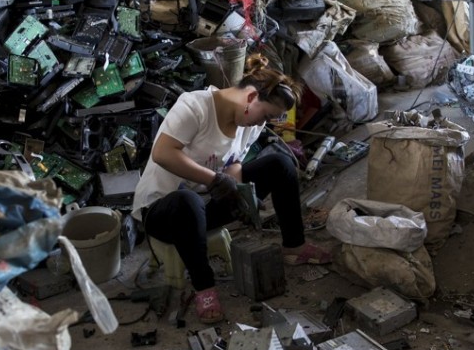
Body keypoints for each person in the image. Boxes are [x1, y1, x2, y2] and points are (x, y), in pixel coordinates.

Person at [132, 53, 332, 323]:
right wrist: (215, 181)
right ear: (251, 98)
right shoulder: (194, 106)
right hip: (165, 211)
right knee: (187, 201)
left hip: (206, 204)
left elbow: (234, 163)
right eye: (265, 115)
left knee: (281, 164)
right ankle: (204, 287)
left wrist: (240, 194)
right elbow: (163, 153)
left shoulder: (250, 124)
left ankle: (294, 247)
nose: (262, 123)